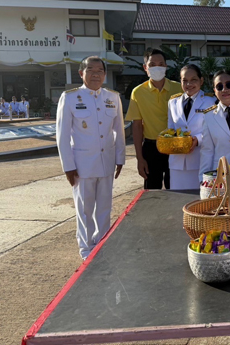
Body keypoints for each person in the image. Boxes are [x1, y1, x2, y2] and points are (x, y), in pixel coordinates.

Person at [56, 56, 126, 259]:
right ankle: (86, 249)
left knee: (104, 207)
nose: (96, 74)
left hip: (107, 162)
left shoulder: (112, 97)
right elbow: (62, 136)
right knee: (85, 209)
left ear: (105, 74)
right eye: (90, 70)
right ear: (81, 73)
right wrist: (68, 166)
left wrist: (120, 158)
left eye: (100, 71)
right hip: (82, 165)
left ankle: (102, 243)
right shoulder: (70, 97)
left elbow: (119, 131)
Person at [125, 48, 182, 189]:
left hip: (175, 147)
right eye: (152, 64)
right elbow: (137, 126)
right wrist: (140, 158)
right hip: (151, 148)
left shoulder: (179, 89)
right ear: (145, 67)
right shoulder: (138, 92)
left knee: (177, 190)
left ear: (166, 67)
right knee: (152, 193)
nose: (157, 67)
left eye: (161, 64)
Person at [167, 64, 216, 190]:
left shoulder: (211, 101)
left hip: (199, 160)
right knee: (178, 200)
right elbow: (171, 129)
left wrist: (197, 139)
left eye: (193, 80)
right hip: (177, 162)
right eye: (185, 80)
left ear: (201, 80)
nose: (189, 84)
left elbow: (214, 131)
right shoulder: (173, 102)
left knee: (198, 201)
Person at [199, 70, 230, 180]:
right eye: (219, 86)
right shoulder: (209, 116)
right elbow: (207, 151)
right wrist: (203, 179)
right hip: (219, 176)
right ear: (214, 91)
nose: (224, 89)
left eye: (229, 85)